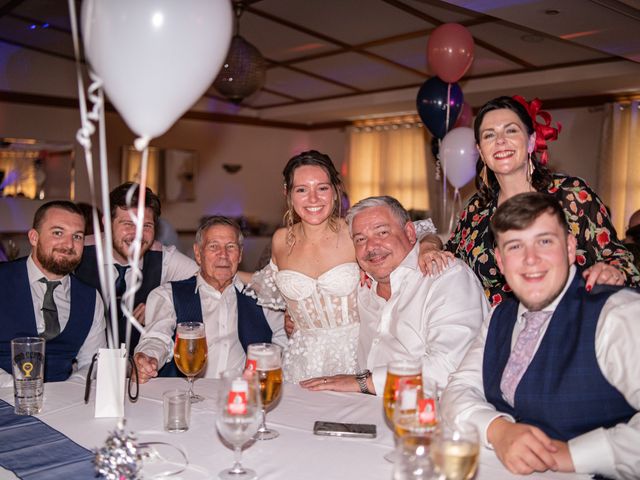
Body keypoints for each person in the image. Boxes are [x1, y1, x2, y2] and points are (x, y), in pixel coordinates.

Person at [441, 192, 640, 478]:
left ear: (570, 248)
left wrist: (570, 455)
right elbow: (458, 389)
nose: (530, 259)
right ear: (499, 259)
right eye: (514, 246)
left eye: (544, 241)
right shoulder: (499, 317)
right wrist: (498, 430)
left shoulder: (617, 314)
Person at [425, 96, 639, 306]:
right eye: (489, 135)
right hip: (497, 333)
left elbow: (621, 259)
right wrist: (428, 244)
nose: (500, 141)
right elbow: (449, 254)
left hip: (570, 324)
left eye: (510, 130)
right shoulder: (477, 208)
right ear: (480, 150)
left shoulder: (570, 194)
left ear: (531, 141)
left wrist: (613, 271)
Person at [300, 196, 488, 395]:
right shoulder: (361, 285)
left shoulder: (445, 276)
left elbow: (449, 368)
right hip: (363, 410)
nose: (371, 247)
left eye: (382, 232)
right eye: (360, 239)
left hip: (433, 412)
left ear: (409, 232)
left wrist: (364, 382)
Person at [134, 216, 285, 382]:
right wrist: (149, 357)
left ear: (240, 255)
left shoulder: (261, 298)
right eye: (214, 247)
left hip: (242, 397)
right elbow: (157, 337)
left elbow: (282, 340)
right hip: (188, 397)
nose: (223, 255)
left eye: (231, 247)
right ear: (198, 254)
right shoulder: (168, 294)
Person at [75, 182, 198, 351]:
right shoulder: (78, 252)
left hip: (140, 370)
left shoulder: (163, 258)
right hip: (79, 370)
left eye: (146, 226)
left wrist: (164, 303)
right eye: (128, 224)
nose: (137, 234)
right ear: (106, 222)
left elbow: (210, 278)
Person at [0, 201, 106, 386]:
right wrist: (17, 387)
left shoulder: (90, 298)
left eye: (77, 236)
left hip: (65, 405)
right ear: (34, 237)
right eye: (58, 233)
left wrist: (71, 388)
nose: (69, 244)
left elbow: (93, 362)